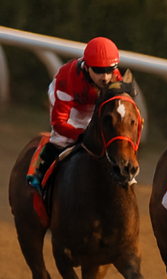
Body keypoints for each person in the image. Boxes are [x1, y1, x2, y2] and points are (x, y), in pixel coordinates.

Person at [26, 37, 123, 192]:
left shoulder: (116, 78)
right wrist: (81, 134)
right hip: (69, 101)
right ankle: (40, 170)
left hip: (92, 101)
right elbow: (59, 122)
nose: (105, 77)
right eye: (98, 70)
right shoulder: (68, 79)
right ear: (87, 66)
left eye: (109, 70)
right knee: (63, 139)